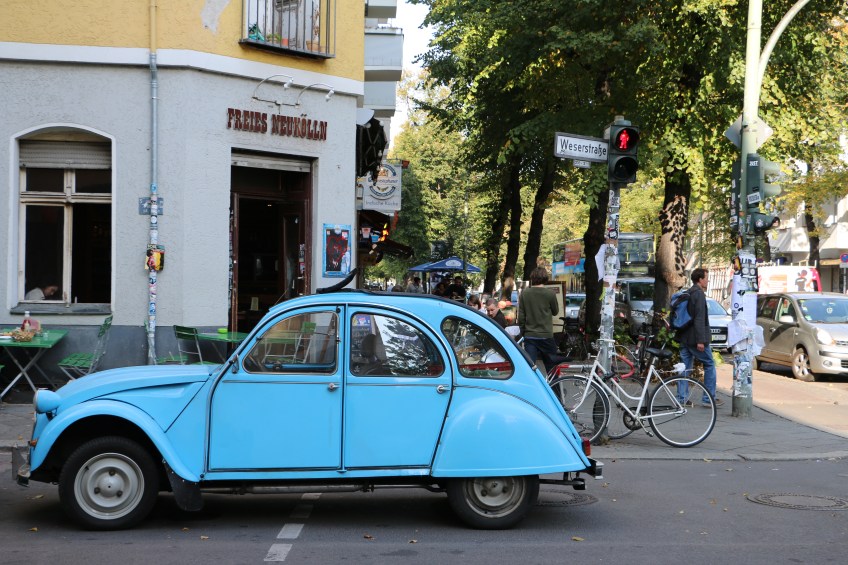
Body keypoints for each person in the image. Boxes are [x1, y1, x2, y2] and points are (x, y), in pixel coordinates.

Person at [676, 268, 723, 407]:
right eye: (707, 278)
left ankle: (681, 398)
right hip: (695, 338)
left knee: (685, 367)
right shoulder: (699, 294)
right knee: (709, 364)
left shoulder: (689, 292)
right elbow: (699, 319)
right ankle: (708, 398)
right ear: (700, 279)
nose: (708, 280)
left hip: (685, 337)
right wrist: (701, 340)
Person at [517, 267, 559, 371]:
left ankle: (532, 386)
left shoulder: (525, 293)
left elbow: (521, 317)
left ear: (532, 278)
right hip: (546, 336)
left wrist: (523, 331)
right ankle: (554, 387)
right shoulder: (550, 294)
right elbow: (555, 311)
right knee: (552, 368)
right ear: (545, 278)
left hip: (530, 336)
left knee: (530, 368)